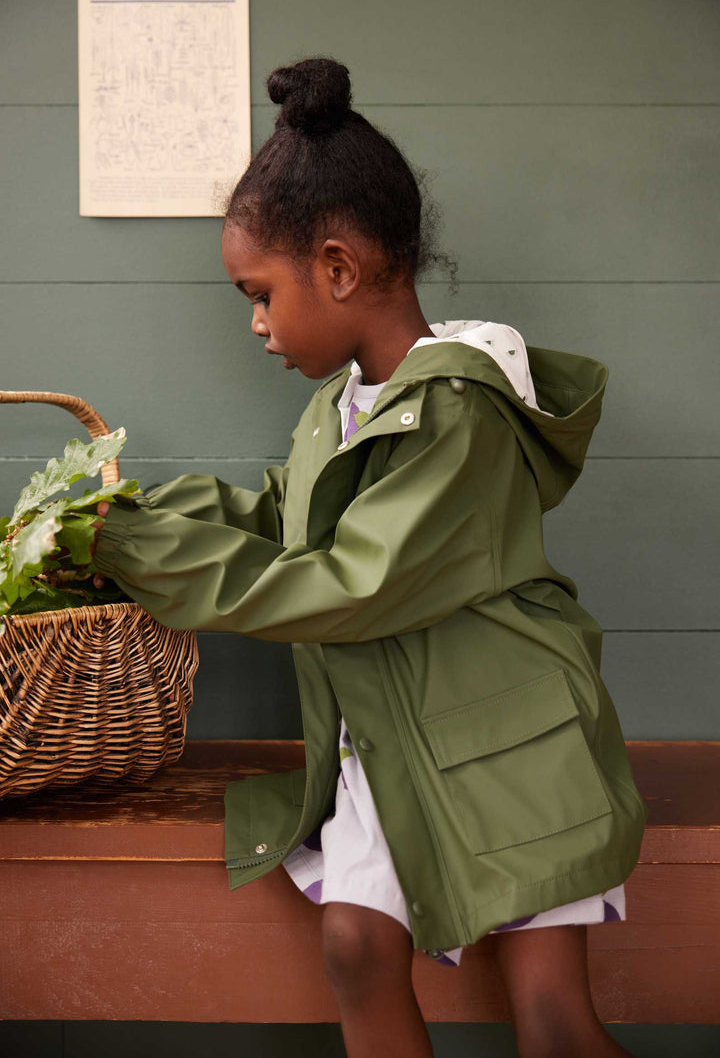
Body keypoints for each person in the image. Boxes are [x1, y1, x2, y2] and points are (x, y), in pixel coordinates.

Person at [90, 56, 647, 1057]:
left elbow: (355, 580)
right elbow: (282, 512)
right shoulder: (336, 409)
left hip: (512, 742)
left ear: (339, 267)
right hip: (395, 734)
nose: (257, 324)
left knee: (554, 1017)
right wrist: (130, 516)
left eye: (259, 293)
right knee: (353, 942)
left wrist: (145, 554)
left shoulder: (457, 418)